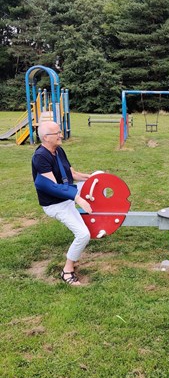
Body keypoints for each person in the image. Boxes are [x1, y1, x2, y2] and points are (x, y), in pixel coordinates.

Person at [32, 121, 93, 285]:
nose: (61, 135)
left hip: (66, 193)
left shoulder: (58, 150)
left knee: (97, 183)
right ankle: (67, 270)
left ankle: (99, 220)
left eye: (60, 132)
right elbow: (53, 188)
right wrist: (77, 197)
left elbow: (71, 173)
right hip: (56, 203)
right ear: (46, 138)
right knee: (83, 235)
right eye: (57, 133)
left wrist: (91, 177)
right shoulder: (40, 157)